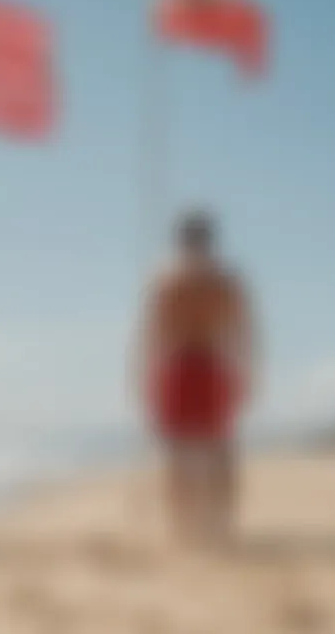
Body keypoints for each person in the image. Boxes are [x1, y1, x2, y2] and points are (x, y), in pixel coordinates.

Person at [137, 209, 255, 546]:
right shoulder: (216, 281)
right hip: (202, 364)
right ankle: (205, 524)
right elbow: (244, 333)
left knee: (196, 448)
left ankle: (197, 525)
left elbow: (151, 336)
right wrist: (245, 371)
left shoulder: (172, 280)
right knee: (205, 448)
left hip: (193, 364)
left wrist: (146, 376)